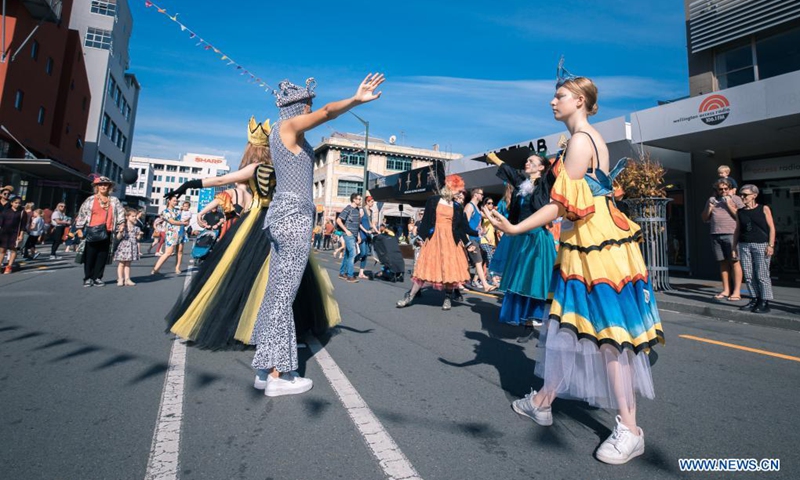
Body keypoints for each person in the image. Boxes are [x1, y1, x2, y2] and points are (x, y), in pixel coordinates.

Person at [485, 63, 663, 465]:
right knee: (567, 327)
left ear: (579, 101)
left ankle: (631, 430)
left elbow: (558, 205)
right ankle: (544, 401)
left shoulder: (580, 141)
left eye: (559, 96)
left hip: (596, 246)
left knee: (609, 335)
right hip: (589, 243)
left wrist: (513, 228)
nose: (552, 101)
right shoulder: (583, 139)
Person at [248, 73, 384, 397]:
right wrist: (354, 100)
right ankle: (281, 375)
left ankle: (265, 370)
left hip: (281, 214)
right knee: (283, 295)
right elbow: (325, 113)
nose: (310, 109)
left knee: (276, 292)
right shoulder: (289, 128)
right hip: (293, 216)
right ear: (298, 106)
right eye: (307, 105)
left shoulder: (280, 135)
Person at [166, 116, 339, 354]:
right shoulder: (286, 168)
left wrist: (187, 185)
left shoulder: (254, 169)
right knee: (287, 278)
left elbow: (221, 179)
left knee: (237, 275)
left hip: (255, 221)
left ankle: (240, 326)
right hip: (283, 222)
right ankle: (291, 329)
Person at [486, 150, 557, 327]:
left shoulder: (546, 182)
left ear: (541, 167)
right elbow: (510, 172)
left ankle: (535, 314)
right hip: (520, 236)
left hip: (537, 236)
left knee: (534, 276)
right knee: (519, 275)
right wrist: (495, 159)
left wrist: (566, 151)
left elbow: (557, 169)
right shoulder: (522, 183)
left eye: (531, 161)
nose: (527, 163)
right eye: (527, 161)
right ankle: (519, 314)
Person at [396, 174, 473, 311]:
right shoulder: (433, 200)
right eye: (458, 189)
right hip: (434, 238)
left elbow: (461, 228)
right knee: (424, 268)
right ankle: (410, 296)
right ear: (450, 187)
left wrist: (469, 243)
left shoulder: (457, 206)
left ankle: (448, 298)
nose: (460, 193)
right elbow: (426, 222)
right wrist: (419, 237)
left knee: (450, 270)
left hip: (451, 241)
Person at [75, 176, 126, 286]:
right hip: (92, 230)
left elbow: (121, 213)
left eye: (105, 185)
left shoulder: (114, 200)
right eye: (100, 185)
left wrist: (121, 224)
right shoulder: (90, 200)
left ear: (109, 187)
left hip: (107, 231)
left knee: (102, 256)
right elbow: (82, 214)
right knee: (90, 256)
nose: (103, 186)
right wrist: (79, 229)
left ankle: (97, 277)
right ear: (96, 187)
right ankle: (88, 278)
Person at [733, 185, 775, 313]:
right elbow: (737, 230)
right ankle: (754, 299)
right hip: (744, 244)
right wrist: (734, 247)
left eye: (745, 195)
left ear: (754, 195)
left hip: (761, 244)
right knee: (749, 274)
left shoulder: (764, 209)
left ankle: (764, 301)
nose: (742, 197)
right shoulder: (740, 211)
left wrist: (771, 245)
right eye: (741, 194)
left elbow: (772, 228)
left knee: (762, 274)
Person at [701, 178, 744, 301]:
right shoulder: (712, 200)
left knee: (735, 262)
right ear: (717, 190)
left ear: (730, 189)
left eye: (726, 188)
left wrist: (728, 204)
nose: (724, 191)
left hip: (732, 234)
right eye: (721, 189)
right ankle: (726, 290)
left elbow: (740, 216)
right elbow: (704, 218)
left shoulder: (735, 199)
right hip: (715, 234)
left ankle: (736, 292)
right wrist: (709, 207)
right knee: (723, 262)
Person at [463, 188, 496, 292]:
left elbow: (486, 218)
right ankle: (485, 285)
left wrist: (483, 233)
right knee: (478, 261)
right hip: (471, 239)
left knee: (470, 262)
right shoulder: (469, 206)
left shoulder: (477, 208)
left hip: (477, 239)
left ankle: (460, 282)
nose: (482, 196)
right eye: (481, 194)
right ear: (475, 195)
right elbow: (465, 224)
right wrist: (467, 242)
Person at [151, 195, 190, 275]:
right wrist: (183, 223)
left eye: (176, 201)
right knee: (168, 252)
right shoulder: (165, 212)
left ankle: (177, 267)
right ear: (169, 201)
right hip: (172, 233)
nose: (176, 202)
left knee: (180, 251)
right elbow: (172, 221)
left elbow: (184, 218)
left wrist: (186, 222)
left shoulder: (178, 211)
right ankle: (156, 269)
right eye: (174, 201)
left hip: (181, 231)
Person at [336, 193, 362, 283]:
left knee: (347, 255)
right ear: (354, 200)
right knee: (353, 254)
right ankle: (350, 276)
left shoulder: (357, 210)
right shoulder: (348, 208)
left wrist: (358, 235)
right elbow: (338, 220)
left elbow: (357, 225)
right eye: (358, 199)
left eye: (360, 199)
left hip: (354, 236)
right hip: (348, 235)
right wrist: (346, 230)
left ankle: (342, 273)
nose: (360, 200)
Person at [114, 208, 143, 286]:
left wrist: (139, 235)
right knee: (121, 264)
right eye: (132, 216)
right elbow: (118, 237)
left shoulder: (136, 228)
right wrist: (120, 231)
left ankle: (127, 279)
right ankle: (120, 279)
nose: (134, 218)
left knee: (128, 264)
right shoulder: (123, 227)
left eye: (135, 216)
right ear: (127, 217)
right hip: (124, 247)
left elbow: (138, 239)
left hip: (132, 247)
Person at [0, 196, 27, 274]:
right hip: (4, 233)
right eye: (16, 203)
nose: (17, 204)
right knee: (2, 250)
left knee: (13, 250)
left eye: (19, 203)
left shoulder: (22, 212)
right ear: (11, 203)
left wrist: (21, 235)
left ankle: (9, 266)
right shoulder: (5, 212)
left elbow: (23, 225)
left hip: (15, 233)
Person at [355, 196, 378, 279]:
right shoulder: (362, 210)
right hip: (362, 234)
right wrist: (365, 231)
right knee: (363, 253)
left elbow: (372, 224)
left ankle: (361, 273)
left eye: (373, 202)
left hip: (368, 234)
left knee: (365, 255)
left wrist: (377, 231)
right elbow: (359, 223)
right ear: (367, 202)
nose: (372, 203)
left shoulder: (371, 212)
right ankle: (350, 264)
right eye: (371, 201)